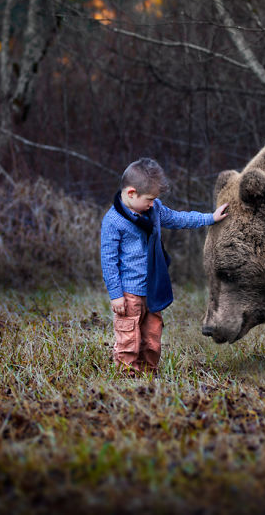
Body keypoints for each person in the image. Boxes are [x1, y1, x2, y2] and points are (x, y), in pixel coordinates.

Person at [100, 157, 228, 376]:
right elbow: (109, 260)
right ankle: (126, 376)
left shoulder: (155, 209)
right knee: (128, 337)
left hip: (154, 289)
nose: (152, 203)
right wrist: (116, 295)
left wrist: (210, 218)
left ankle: (150, 373)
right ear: (131, 193)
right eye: (149, 199)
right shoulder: (113, 222)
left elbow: (179, 219)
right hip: (129, 293)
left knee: (152, 336)